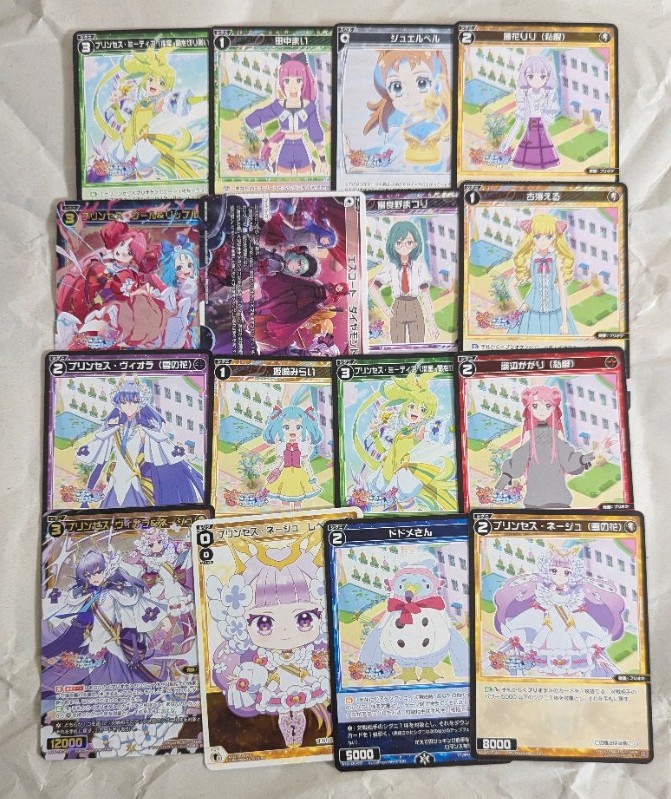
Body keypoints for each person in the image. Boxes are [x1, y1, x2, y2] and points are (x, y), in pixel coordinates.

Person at [491, 543, 626, 677]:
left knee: (570, 666)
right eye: (554, 571)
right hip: (549, 629)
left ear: (572, 574)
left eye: (566, 572)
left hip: (568, 629)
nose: (560, 576)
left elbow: (577, 612)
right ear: (547, 571)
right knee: (550, 667)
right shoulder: (544, 592)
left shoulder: (574, 595)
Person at [75, 377, 204, 508]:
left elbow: (156, 462)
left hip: (134, 482)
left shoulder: (145, 430)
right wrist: (86, 496)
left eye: (134, 401)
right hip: (115, 481)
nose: (129, 406)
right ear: (119, 404)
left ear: (140, 403)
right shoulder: (113, 429)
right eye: (124, 402)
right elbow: (100, 463)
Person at [245, 53, 327, 175]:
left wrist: (323, 161)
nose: (293, 85)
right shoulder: (278, 106)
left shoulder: (308, 107)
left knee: (305, 181)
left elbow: (316, 133)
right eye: (287, 80)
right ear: (282, 83)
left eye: (298, 80)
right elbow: (253, 119)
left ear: (303, 82)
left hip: (301, 148)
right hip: (285, 149)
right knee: (282, 180)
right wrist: (267, 142)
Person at [369, 219, 439, 344]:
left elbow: (425, 295)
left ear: (415, 244)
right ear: (392, 244)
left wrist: (432, 324)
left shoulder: (419, 267)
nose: (404, 246)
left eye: (409, 242)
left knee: (418, 343)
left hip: (415, 306)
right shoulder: (390, 267)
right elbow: (373, 289)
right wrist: (385, 309)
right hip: (398, 306)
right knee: (397, 344)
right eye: (398, 243)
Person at [508, 215, 577, 335]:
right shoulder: (529, 261)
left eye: (549, 237)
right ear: (531, 238)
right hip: (531, 311)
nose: (543, 241)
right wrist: (521, 304)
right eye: (537, 236)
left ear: (554, 238)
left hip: (555, 311)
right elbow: (510, 285)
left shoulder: (557, 261)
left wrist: (564, 322)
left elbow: (562, 293)